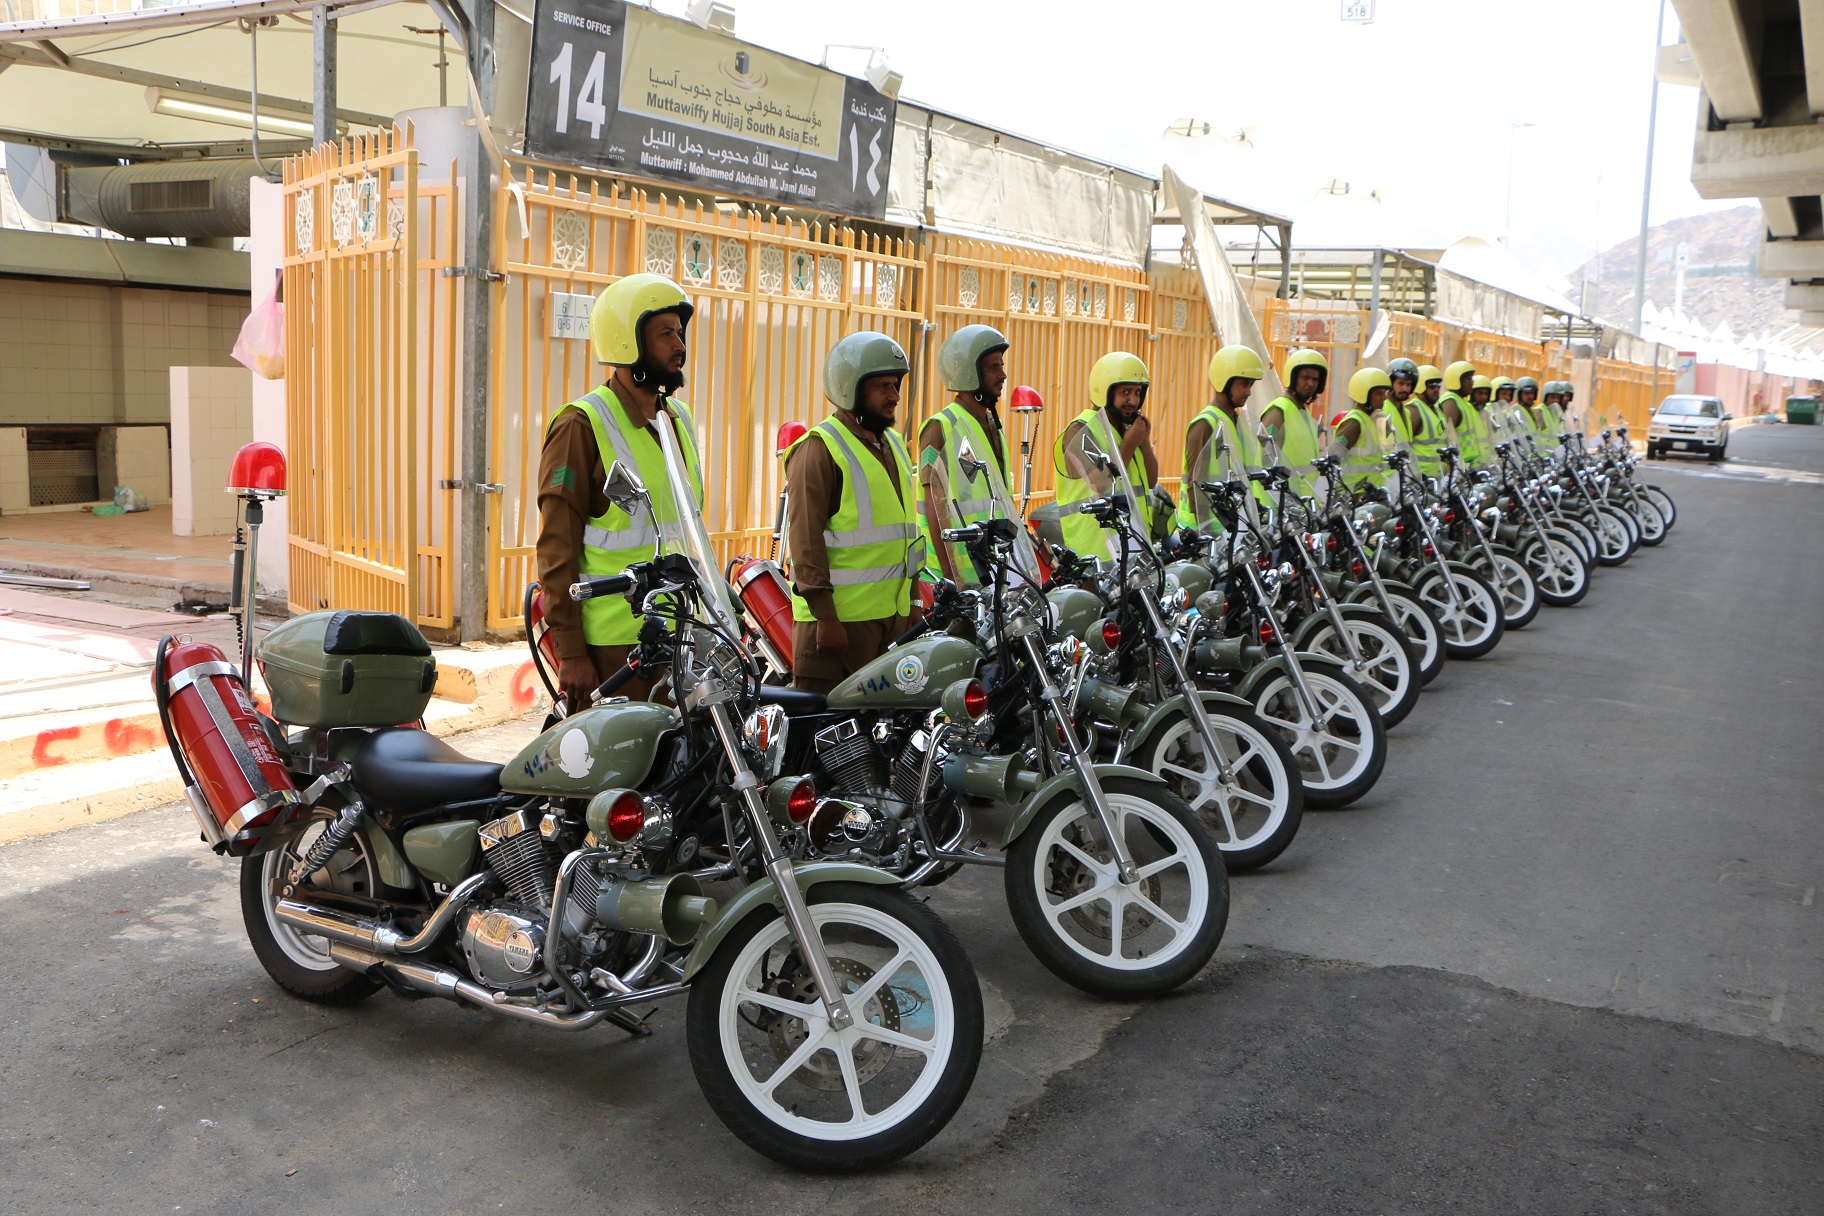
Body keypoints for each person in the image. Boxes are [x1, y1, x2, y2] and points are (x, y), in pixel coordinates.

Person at [537, 273, 703, 709]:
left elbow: (687, 534)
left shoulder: (677, 420)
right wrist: (570, 650)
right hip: (615, 649)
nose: (679, 345)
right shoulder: (582, 425)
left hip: (678, 637)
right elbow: (556, 548)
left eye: (680, 332)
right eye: (665, 333)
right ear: (627, 342)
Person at [784, 331, 923, 692]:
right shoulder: (819, 449)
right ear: (850, 388)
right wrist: (826, 618)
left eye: (895, 385)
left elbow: (906, 531)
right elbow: (805, 543)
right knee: (827, 737)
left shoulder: (892, 443)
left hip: (888, 623)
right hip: (838, 628)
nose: (894, 396)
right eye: (882, 386)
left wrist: (912, 599)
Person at [919, 324, 1010, 586]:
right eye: (993, 367)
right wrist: (952, 578)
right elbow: (935, 508)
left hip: (990, 572)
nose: (1002, 374)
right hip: (952, 581)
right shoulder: (941, 428)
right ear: (968, 373)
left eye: (1001, 365)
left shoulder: (992, 426)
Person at [1054, 351, 1160, 559]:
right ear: (1105, 391)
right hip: (1096, 554)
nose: (1133, 400)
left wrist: (1144, 442)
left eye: (1138, 393)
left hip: (1132, 546)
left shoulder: (1127, 429)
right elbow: (1100, 484)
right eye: (1125, 392)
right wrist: (1129, 443)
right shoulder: (1080, 430)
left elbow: (1151, 480)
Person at [1178, 344, 1267, 531]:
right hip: (1206, 530)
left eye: (1250, 385)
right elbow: (1195, 483)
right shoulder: (1205, 423)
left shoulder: (1236, 420)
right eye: (1243, 384)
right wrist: (1206, 527)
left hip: (1233, 526)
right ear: (1224, 382)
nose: (1249, 391)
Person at [1260, 348, 1329, 473]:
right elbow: (1266, 455)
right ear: (1293, 378)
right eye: (1306, 377)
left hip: (1303, 490)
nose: (1311, 383)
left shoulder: (1304, 413)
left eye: (1315, 379)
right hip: (1278, 491)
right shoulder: (1279, 410)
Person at [1338, 367, 1391, 488]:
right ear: (1363, 395)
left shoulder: (1373, 419)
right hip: (1354, 493)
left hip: (1373, 491)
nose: (1384, 397)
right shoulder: (1354, 422)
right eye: (1379, 393)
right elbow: (1335, 456)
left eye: (1385, 393)